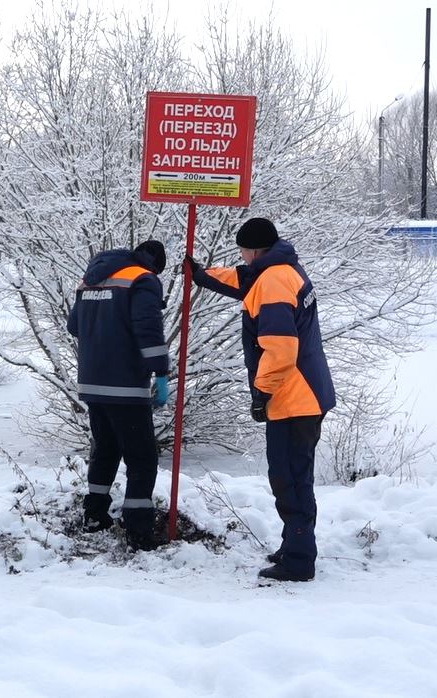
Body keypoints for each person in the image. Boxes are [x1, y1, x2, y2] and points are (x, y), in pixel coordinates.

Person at [184, 218, 336, 583]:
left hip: (292, 397)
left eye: (242, 250)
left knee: (290, 479)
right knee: (293, 477)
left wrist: (262, 393)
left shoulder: (272, 282)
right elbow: (244, 281)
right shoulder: (281, 270)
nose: (240, 257)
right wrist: (203, 275)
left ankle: (298, 560)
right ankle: (295, 545)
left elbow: (281, 348)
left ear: (253, 250)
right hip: (305, 393)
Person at [67, 240, 170, 552]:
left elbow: (74, 326)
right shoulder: (143, 279)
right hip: (125, 384)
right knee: (142, 458)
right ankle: (139, 532)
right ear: (154, 264)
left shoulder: (91, 278)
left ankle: (94, 515)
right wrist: (161, 372)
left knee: (105, 449)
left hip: (91, 383)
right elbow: (147, 328)